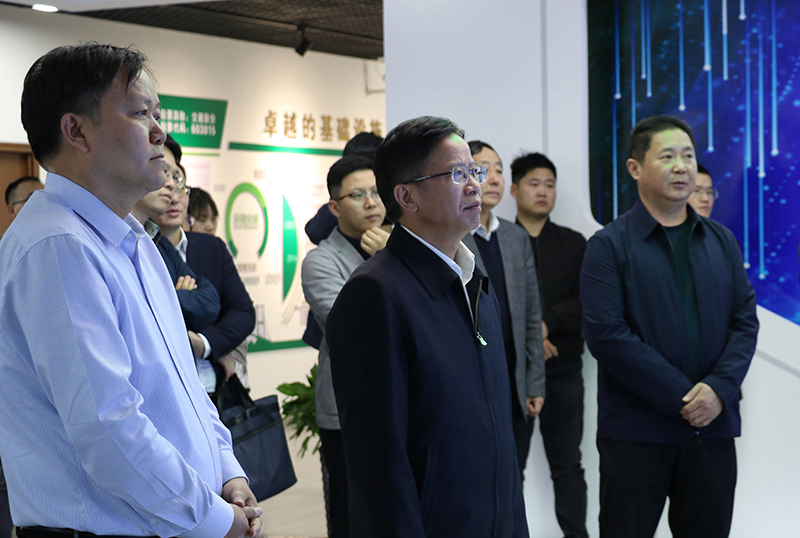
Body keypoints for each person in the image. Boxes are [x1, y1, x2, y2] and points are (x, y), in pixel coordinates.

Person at [0, 43, 262, 538]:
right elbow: (108, 426)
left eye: (157, 114)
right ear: (76, 131)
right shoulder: (58, 246)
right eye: (141, 113)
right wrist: (209, 518)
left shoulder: (135, 240)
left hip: (178, 517)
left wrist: (227, 472)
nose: (160, 131)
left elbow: (183, 384)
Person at [326, 116, 528, 537]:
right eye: (456, 174)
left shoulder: (475, 279)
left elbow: (501, 440)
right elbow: (378, 464)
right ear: (406, 196)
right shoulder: (375, 294)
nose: (474, 185)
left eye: (474, 171)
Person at [581, 115, 758, 538]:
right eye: (667, 157)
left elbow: (744, 321)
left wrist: (717, 390)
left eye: (688, 156)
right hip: (636, 433)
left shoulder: (721, 241)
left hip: (711, 431)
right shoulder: (608, 245)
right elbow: (607, 334)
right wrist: (683, 396)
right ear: (635, 168)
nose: (681, 167)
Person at [301, 154, 388, 538]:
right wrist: (389, 260)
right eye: (357, 195)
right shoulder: (321, 261)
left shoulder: (400, 246)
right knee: (351, 517)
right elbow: (354, 326)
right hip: (348, 410)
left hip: (402, 403)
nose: (371, 203)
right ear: (335, 207)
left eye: (376, 192)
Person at [511, 151, 589, 538]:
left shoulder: (574, 243)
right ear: (514, 190)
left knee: (568, 465)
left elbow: (586, 299)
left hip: (563, 372)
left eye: (550, 184)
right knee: (510, 466)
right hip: (514, 374)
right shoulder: (500, 243)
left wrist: (545, 325)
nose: (543, 191)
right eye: (534, 183)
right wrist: (531, 340)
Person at [460, 140, 546, 475]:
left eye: (499, 170)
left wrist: (534, 383)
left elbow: (531, 316)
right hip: (472, 385)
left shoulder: (515, 237)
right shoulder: (452, 236)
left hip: (515, 385)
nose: (494, 178)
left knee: (514, 477)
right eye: (483, 170)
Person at [154, 136, 256, 404]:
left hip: (217, 389)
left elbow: (243, 312)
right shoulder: (139, 248)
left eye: (180, 185)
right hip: (169, 393)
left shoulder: (212, 247)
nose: (174, 196)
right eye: (163, 179)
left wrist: (206, 343)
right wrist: (187, 302)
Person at [131, 150, 220, 333]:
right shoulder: (101, 239)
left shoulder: (158, 241)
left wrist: (169, 299)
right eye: (163, 171)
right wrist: (178, 297)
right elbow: (136, 311)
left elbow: (210, 301)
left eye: (174, 176)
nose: (170, 184)